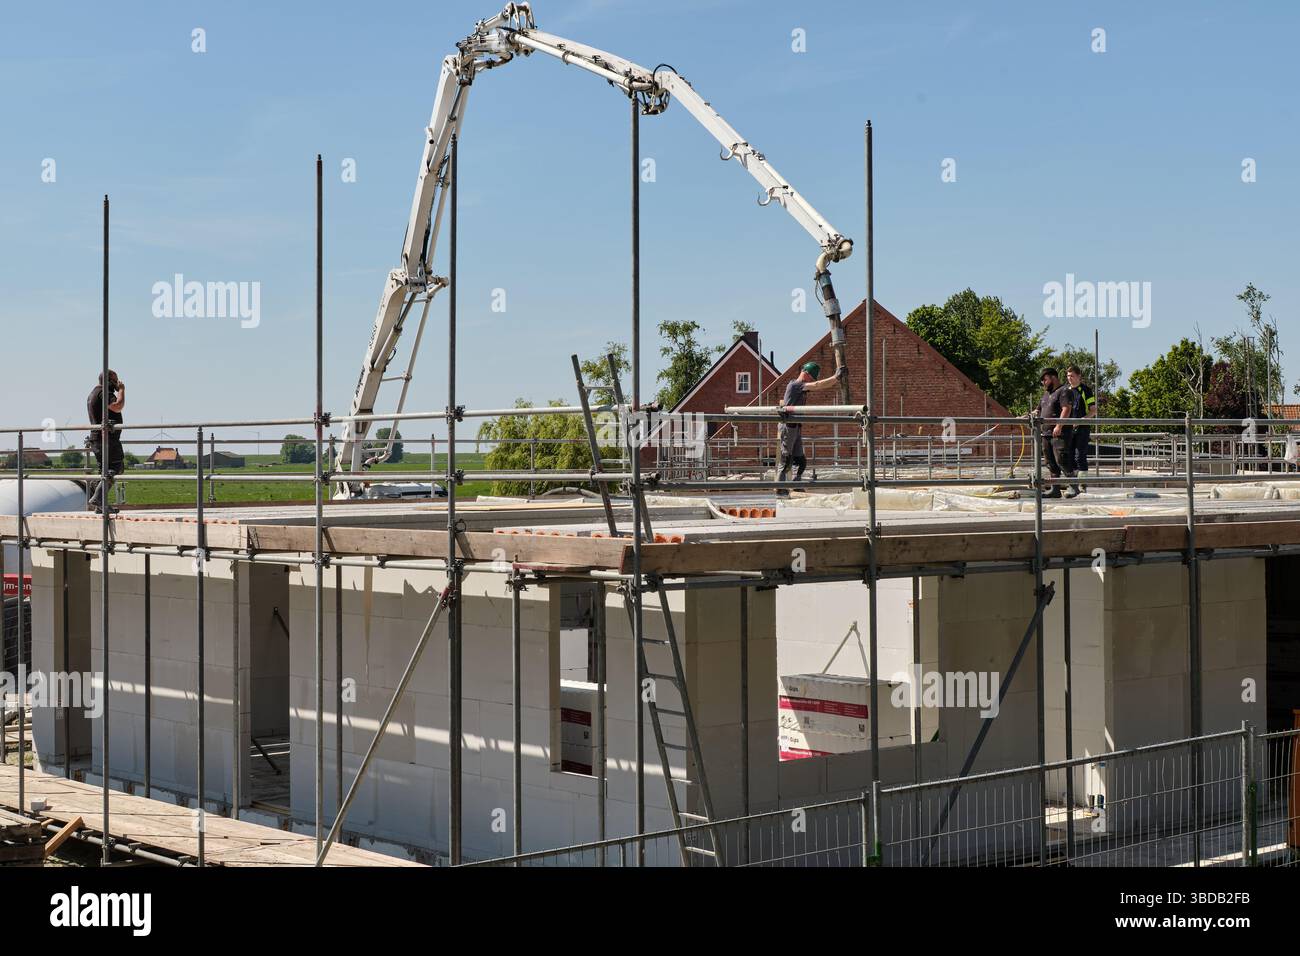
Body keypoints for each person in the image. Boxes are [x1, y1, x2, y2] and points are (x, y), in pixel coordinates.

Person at [776, 361, 843, 494]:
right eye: (811, 377)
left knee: (801, 461)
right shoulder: (795, 385)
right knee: (786, 459)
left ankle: (796, 484)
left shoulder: (801, 387)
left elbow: (816, 385)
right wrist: (836, 378)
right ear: (805, 373)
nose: (812, 380)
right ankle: (780, 488)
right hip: (788, 427)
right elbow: (818, 385)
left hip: (796, 427)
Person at [86, 370, 125, 513]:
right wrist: (121, 390)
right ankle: (98, 499)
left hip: (99, 438)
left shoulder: (93, 393)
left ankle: (100, 505)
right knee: (115, 467)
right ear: (109, 381)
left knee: (104, 469)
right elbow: (117, 406)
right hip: (106, 439)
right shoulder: (104, 393)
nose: (117, 383)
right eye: (115, 380)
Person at [1036, 367, 1078, 499]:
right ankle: (1055, 489)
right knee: (1050, 462)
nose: (1043, 382)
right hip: (1046, 433)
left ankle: (1073, 486)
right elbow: (1038, 411)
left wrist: (1059, 426)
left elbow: (1066, 409)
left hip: (1060, 433)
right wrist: (1026, 417)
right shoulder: (1046, 395)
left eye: (1045, 379)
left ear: (1053, 378)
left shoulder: (1064, 391)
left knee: (1061, 459)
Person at [1065, 364, 1095, 491]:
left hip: (1082, 428)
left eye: (1072, 376)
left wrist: (1082, 420)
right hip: (1068, 429)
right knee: (1069, 455)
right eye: (1068, 376)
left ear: (1079, 376)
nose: (1069, 378)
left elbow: (1093, 411)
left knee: (1080, 455)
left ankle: (1082, 484)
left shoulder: (1086, 390)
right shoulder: (1066, 391)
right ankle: (1072, 484)